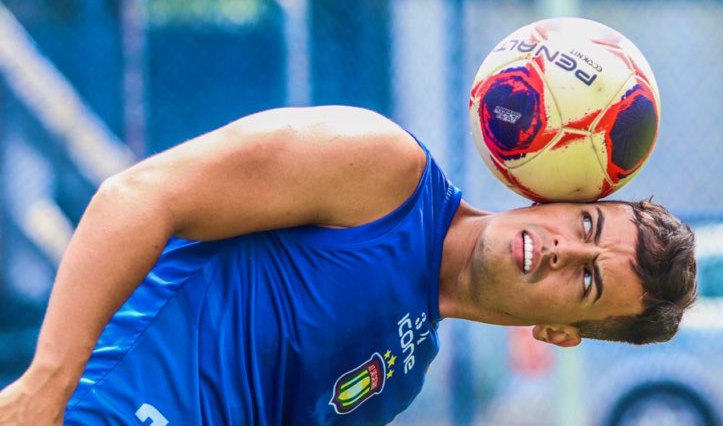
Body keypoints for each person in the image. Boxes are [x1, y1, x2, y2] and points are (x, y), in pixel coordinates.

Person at [0, 106, 696, 425]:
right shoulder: (382, 168)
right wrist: (43, 389)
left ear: (561, 333)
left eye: (586, 279)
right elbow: (140, 195)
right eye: (585, 224)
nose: (561, 249)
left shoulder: (400, 377)